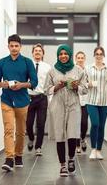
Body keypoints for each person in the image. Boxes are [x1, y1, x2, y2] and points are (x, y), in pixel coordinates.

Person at [0, 34, 38, 171]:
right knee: (8, 129)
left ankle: (18, 155)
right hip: (6, 100)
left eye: (16, 46)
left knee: (20, 131)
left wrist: (22, 85)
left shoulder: (27, 62)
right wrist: (4, 84)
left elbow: (34, 82)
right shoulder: (2, 62)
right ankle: (9, 159)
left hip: (23, 101)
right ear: (8, 46)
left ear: (20, 47)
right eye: (11, 46)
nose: (14, 48)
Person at [44, 44, 87, 177]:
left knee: (72, 133)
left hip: (74, 104)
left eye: (65, 54)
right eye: (60, 54)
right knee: (59, 134)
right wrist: (56, 87)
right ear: (58, 55)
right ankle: (62, 165)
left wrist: (76, 87)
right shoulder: (52, 71)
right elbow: (46, 90)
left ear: (69, 54)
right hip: (58, 104)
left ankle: (71, 160)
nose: (63, 56)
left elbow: (85, 89)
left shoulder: (78, 70)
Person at [85, 46, 107, 160]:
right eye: (97, 54)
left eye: (100, 54)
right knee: (95, 124)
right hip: (91, 101)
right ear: (94, 55)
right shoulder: (88, 68)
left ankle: (99, 150)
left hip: (105, 101)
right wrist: (90, 84)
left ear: (103, 56)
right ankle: (93, 149)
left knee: (102, 126)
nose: (98, 56)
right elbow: (83, 83)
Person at [26, 43, 51, 156]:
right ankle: (31, 138)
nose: (37, 52)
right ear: (32, 53)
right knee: (28, 123)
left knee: (41, 124)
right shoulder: (27, 65)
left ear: (42, 53)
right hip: (29, 97)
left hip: (42, 98)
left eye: (39, 51)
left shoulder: (47, 67)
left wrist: (49, 99)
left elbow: (50, 83)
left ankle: (38, 147)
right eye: (35, 50)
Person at [74, 51, 89, 154]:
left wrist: (86, 84)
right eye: (78, 58)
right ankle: (77, 144)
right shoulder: (73, 70)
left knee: (84, 122)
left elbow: (91, 83)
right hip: (75, 100)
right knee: (76, 123)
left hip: (86, 100)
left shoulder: (88, 70)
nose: (80, 59)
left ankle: (83, 138)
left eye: (82, 58)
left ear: (84, 59)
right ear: (75, 59)